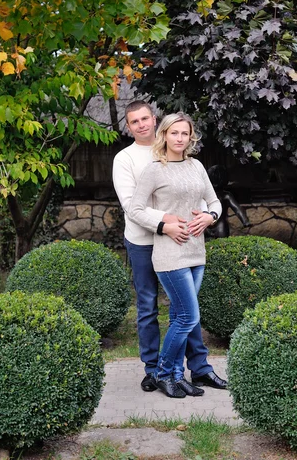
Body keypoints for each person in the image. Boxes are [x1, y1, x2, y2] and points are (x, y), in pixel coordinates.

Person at [112, 101, 227, 396]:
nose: (141, 125)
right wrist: (165, 224)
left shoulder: (187, 160)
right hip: (144, 240)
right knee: (150, 307)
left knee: (184, 311)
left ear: (154, 120)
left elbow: (199, 198)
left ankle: (195, 368)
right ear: (129, 126)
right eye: (134, 121)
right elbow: (131, 206)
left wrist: (208, 215)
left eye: (144, 119)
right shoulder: (127, 159)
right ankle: (156, 371)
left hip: (186, 242)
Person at [206, 165, 250, 238]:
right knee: (222, 247)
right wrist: (245, 221)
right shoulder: (226, 195)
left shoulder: (206, 195)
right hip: (221, 226)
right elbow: (237, 209)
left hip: (206, 226)